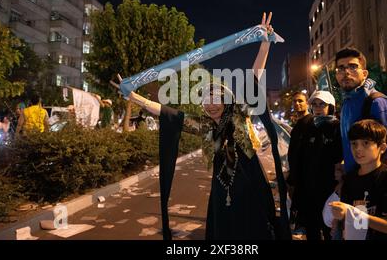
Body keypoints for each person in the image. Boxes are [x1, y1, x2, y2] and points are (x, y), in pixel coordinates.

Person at [112, 13, 291, 240]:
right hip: (220, 191)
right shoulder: (204, 126)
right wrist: (136, 98)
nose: (211, 105)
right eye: (207, 101)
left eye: (216, 99)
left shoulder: (239, 114)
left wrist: (264, 44)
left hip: (251, 186)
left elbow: (253, 77)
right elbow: (169, 114)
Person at [330, 120, 387, 240]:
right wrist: (338, 220)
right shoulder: (349, 179)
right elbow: (351, 221)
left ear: (382, 148)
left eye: (366, 143)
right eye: (354, 143)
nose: (358, 149)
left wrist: (350, 213)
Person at [335, 48, 387, 173]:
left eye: (353, 67)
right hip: (354, 187)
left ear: (364, 74)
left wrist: (364, 180)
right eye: (340, 68)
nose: (346, 72)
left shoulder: (378, 104)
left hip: (376, 189)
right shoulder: (346, 105)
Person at [294, 90, 343, 240]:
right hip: (309, 188)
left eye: (322, 104)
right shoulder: (308, 127)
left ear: (331, 107)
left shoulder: (337, 127)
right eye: (314, 104)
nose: (318, 107)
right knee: (312, 228)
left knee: (330, 228)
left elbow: (341, 156)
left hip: (329, 188)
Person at [286, 91, 313, 235]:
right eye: (295, 101)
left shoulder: (310, 122)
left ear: (307, 103)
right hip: (297, 175)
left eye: (300, 101)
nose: (297, 104)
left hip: (305, 176)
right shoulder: (299, 123)